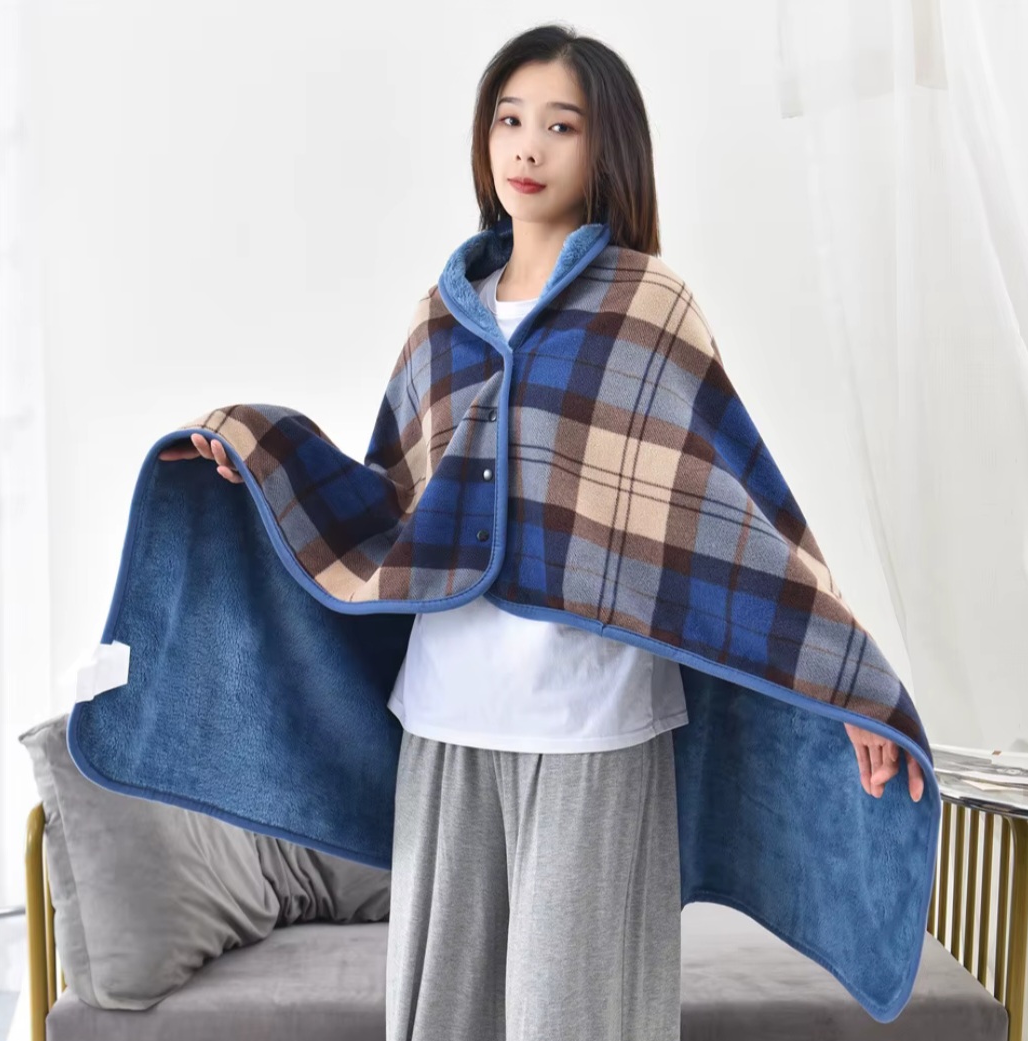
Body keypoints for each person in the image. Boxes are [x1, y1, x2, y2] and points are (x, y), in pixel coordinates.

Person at [160, 22, 925, 1041]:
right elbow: (393, 507)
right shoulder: (441, 318)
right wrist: (257, 455)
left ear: (606, 147)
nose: (527, 146)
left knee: (580, 1022)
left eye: (560, 126)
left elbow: (740, 514)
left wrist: (847, 682)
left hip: (594, 728)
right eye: (509, 120)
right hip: (446, 722)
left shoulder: (649, 307)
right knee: (442, 1021)